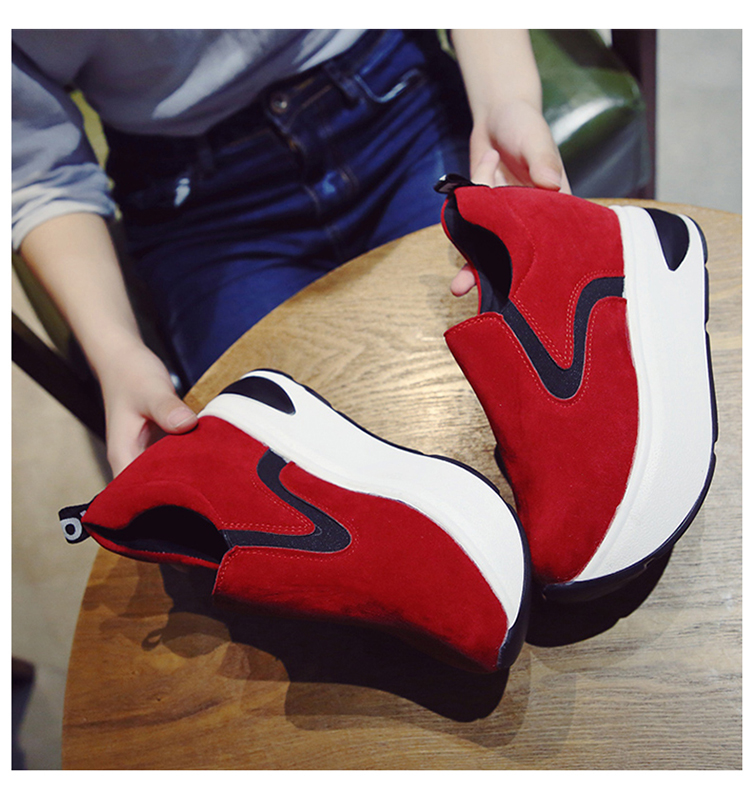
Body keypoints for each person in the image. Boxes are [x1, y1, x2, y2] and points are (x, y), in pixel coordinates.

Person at [12, 29, 569, 477]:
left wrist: (506, 101)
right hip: (193, 203)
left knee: (538, 382)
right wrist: (116, 353)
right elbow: (38, 170)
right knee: (288, 476)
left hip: (393, 94)